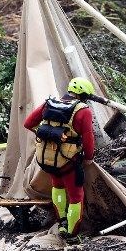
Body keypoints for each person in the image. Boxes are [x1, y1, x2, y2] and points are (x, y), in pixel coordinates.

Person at [24, 77, 96, 238]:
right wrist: (89, 157)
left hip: (46, 158)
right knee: (76, 195)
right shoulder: (83, 111)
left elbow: (28, 123)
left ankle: (61, 222)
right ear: (83, 95)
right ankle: (71, 233)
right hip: (68, 160)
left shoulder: (49, 103)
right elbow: (88, 138)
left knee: (57, 186)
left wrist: (47, 134)